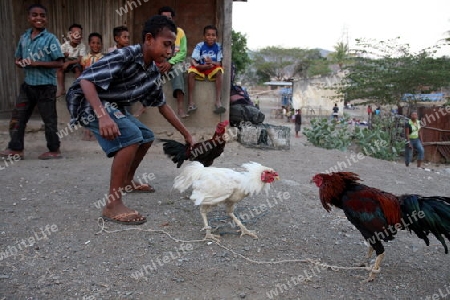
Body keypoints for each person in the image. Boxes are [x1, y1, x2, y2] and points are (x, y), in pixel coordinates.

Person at [65, 15, 194, 225]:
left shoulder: (152, 72)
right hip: (87, 102)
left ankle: (127, 181)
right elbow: (86, 81)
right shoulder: (125, 55)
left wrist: (187, 134)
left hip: (112, 106)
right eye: (167, 45)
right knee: (131, 136)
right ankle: (112, 205)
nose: (170, 52)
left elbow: (163, 106)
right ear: (149, 39)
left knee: (145, 136)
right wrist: (102, 116)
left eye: (172, 47)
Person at [0, 4, 64, 160]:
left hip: (46, 87)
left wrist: (36, 63)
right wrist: (19, 62)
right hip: (28, 86)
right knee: (17, 118)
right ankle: (16, 149)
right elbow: (18, 58)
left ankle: (54, 150)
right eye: (34, 15)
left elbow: (60, 63)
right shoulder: (24, 37)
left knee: (49, 121)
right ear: (29, 18)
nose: (39, 18)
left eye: (42, 15)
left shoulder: (50, 39)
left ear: (46, 19)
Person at [158, 6, 191, 119]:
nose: (167, 20)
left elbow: (183, 52)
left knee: (178, 71)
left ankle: (180, 109)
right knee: (150, 73)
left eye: (169, 18)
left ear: (173, 19)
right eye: (164, 18)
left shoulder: (180, 32)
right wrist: (162, 61)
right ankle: (143, 107)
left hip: (174, 61)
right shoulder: (156, 32)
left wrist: (170, 63)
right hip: (160, 60)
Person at [187, 25, 225, 114]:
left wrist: (212, 62)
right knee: (191, 72)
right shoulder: (200, 45)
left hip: (212, 68)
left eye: (213, 35)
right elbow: (193, 59)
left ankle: (218, 102)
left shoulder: (218, 46)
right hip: (201, 68)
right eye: (208, 35)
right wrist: (198, 65)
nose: (211, 37)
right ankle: (191, 103)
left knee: (220, 70)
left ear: (216, 36)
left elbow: (219, 63)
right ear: (204, 36)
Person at [80, 32, 104, 141]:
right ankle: (87, 131)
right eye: (93, 43)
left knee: (98, 109)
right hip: (88, 89)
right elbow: (83, 73)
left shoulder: (103, 58)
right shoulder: (85, 59)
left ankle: (96, 132)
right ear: (89, 44)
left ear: (101, 45)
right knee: (87, 109)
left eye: (98, 43)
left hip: (98, 88)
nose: (96, 45)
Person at [56, 23, 86, 97]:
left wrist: (69, 62)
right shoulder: (64, 45)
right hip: (66, 61)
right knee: (60, 69)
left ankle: (77, 87)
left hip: (76, 62)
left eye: (79, 34)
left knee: (78, 69)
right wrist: (63, 55)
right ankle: (61, 89)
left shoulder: (82, 46)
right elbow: (57, 56)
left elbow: (80, 59)